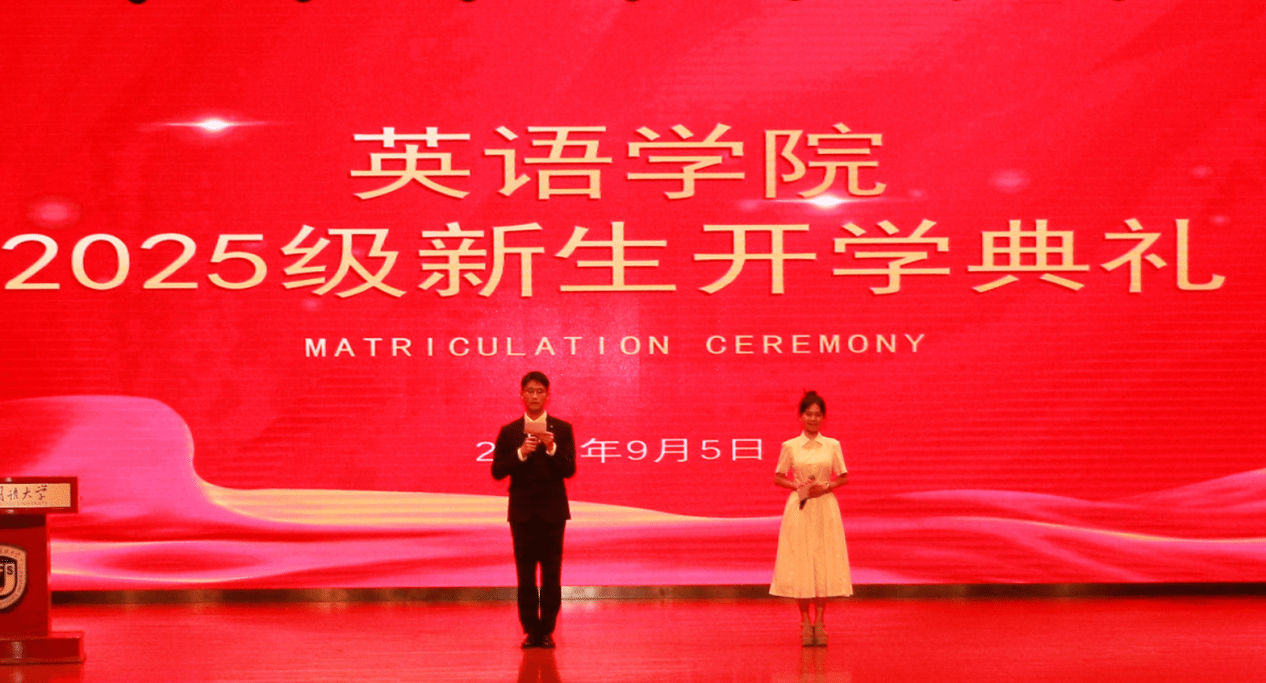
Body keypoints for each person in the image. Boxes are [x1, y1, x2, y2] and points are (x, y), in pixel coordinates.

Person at [492, 371, 577, 649]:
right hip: (522, 514)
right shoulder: (511, 431)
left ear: (548, 395)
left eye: (540, 391)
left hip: (553, 514)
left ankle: (547, 630)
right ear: (522, 395)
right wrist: (520, 453)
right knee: (525, 575)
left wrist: (551, 448)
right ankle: (530, 630)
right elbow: (497, 470)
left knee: (552, 574)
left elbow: (569, 469)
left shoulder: (562, 429)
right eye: (530, 391)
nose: (535, 396)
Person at [769, 390, 852, 647]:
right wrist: (797, 485)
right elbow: (778, 476)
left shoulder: (833, 445)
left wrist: (826, 486)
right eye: (808, 414)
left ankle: (821, 622)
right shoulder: (790, 446)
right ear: (801, 416)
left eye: (817, 414)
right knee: (803, 563)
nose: (813, 419)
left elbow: (844, 477)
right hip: (801, 508)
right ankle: (805, 621)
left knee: (823, 562)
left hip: (825, 507)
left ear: (823, 417)